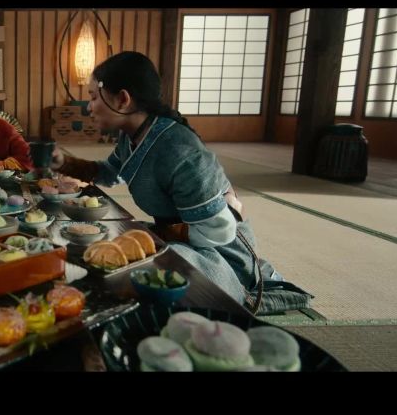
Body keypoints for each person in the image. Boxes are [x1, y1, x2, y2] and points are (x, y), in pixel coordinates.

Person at [50, 51, 312, 315]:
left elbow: (218, 232)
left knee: (146, 265)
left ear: (123, 99)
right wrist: (64, 163)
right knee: (115, 240)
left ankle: (238, 290)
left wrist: (158, 236)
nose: (88, 107)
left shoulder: (179, 151)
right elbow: (110, 172)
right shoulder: (131, 136)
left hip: (218, 254)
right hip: (183, 238)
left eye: (93, 97)